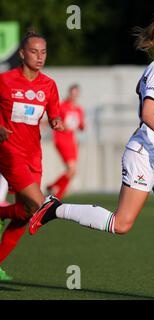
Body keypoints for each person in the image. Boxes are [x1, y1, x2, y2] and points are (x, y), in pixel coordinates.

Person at [29, 10, 154, 299]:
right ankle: (54, 208)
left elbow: (146, 93)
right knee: (121, 224)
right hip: (143, 156)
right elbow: (147, 113)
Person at [0, 30, 63, 281]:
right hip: (8, 152)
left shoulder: (48, 85)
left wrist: (56, 121)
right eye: (34, 51)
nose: (40, 57)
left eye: (43, 52)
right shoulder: (4, 81)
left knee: (26, 213)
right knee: (40, 205)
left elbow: (53, 113)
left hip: (33, 155)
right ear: (22, 53)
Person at [46, 84, 85, 199]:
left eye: (76, 94)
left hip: (72, 140)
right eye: (72, 93)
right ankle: (58, 194)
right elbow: (54, 120)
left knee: (71, 171)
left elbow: (82, 126)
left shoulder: (78, 109)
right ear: (69, 93)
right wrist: (63, 125)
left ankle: (52, 187)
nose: (74, 96)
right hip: (61, 139)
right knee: (72, 170)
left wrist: (81, 125)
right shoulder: (62, 106)